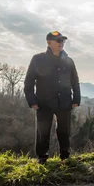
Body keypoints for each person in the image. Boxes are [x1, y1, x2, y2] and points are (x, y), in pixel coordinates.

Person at [24, 31, 81, 164]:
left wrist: (76, 99)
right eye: (58, 41)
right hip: (43, 102)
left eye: (63, 41)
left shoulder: (69, 61)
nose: (61, 43)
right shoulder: (38, 59)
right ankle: (42, 157)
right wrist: (32, 100)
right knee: (43, 130)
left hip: (65, 101)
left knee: (64, 130)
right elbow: (29, 81)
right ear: (49, 42)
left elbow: (75, 81)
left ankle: (65, 156)